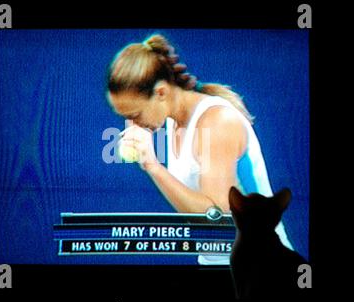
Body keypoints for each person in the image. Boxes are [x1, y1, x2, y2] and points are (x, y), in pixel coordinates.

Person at [106, 34, 293, 265]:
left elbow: (219, 220)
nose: (131, 125)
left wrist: (153, 167)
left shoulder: (217, 121)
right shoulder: (173, 121)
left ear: (161, 93)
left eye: (134, 115)